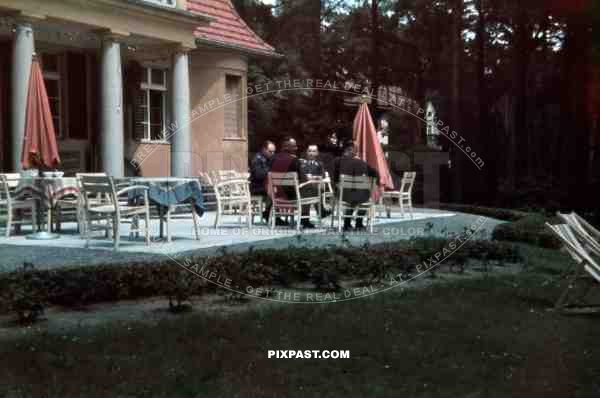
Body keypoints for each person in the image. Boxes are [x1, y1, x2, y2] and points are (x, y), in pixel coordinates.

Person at [269, 136, 315, 228]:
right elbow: (303, 180)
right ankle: (304, 220)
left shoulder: (272, 159)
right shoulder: (294, 160)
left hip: (278, 195)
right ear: (287, 147)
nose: (296, 148)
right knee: (310, 189)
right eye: (294, 146)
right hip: (292, 196)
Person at [332, 142, 379, 231]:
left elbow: (334, 178)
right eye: (356, 149)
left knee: (351, 196)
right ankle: (359, 222)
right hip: (360, 195)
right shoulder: (360, 162)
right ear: (350, 150)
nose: (357, 151)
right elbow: (375, 173)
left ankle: (347, 223)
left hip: (343, 195)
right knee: (365, 196)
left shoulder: (337, 161)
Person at [249, 140, 276, 221]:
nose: (272, 154)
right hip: (256, 187)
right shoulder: (257, 159)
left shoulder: (268, 159)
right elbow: (258, 175)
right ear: (264, 149)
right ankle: (268, 214)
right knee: (274, 190)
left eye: (274, 152)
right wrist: (271, 172)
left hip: (265, 186)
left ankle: (270, 214)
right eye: (270, 151)